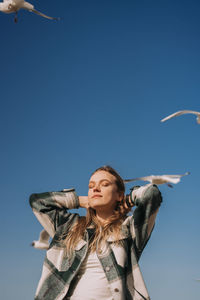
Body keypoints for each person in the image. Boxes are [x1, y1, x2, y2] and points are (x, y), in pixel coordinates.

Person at [30, 165, 162, 300]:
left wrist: (126, 200)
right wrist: (79, 201)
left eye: (104, 184)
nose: (95, 188)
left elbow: (151, 195)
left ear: (119, 194)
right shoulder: (69, 226)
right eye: (91, 186)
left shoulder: (128, 229)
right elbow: (38, 202)